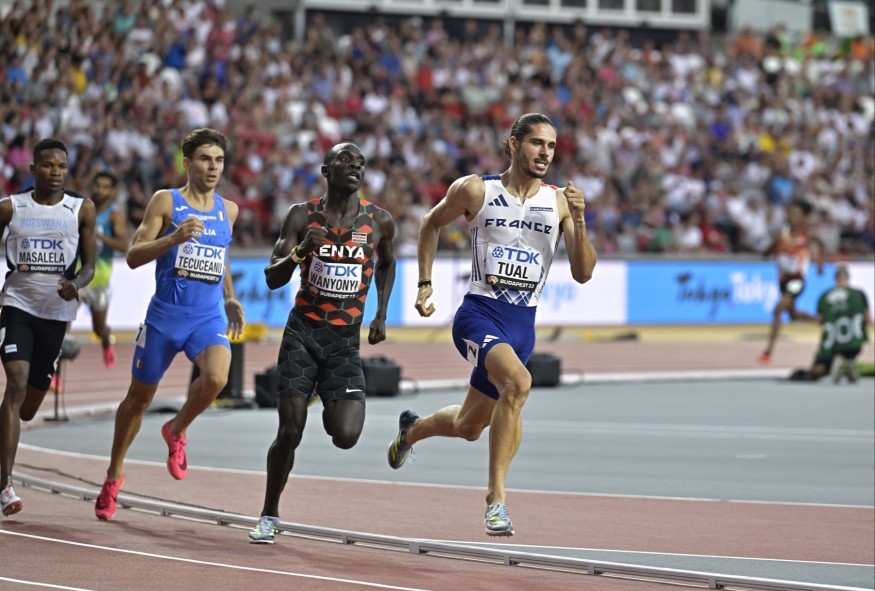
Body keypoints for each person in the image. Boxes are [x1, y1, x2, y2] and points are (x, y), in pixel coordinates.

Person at [387, 113, 597, 536]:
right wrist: (425, 284)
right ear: (514, 144)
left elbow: (583, 273)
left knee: (468, 427)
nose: (545, 153)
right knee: (517, 384)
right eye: (536, 143)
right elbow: (430, 223)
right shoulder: (476, 189)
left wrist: (579, 219)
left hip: (522, 326)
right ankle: (495, 500)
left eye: (551, 146)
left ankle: (412, 430)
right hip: (478, 314)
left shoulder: (560, 202)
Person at [248, 142, 396, 544]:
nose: (355, 165)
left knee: (345, 434)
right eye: (345, 160)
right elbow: (272, 277)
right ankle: (269, 513)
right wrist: (300, 252)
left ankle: (319, 391)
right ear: (326, 170)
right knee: (290, 431)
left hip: (344, 342)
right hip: (303, 334)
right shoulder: (301, 215)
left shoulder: (379, 221)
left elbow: (387, 263)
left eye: (360, 162)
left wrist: (381, 314)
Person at [94, 128, 245, 521]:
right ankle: (113, 474)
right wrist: (174, 238)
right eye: (205, 159)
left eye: (219, 160)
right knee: (138, 400)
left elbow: (221, 256)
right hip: (164, 318)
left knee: (217, 378)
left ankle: (176, 430)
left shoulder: (228, 210)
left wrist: (229, 297)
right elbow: (133, 255)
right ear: (188, 163)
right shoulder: (166, 201)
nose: (213, 167)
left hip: (207, 317)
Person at [0, 138, 97, 517]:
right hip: (17, 306)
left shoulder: (81, 208)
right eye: (48, 165)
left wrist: (78, 283)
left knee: (27, 408)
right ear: (33, 169)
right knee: (16, 383)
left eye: (61, 166)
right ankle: (6, 486)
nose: (55, 172)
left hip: (56, 313)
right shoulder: (11, 207)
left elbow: (89, 265)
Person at [759, 199, 822, 363]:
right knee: (793, 315)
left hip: (797, 280)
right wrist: (774, 246)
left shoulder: (807, 235)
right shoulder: (781, 234)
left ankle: (768, 351)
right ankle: (819, 320)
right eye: (791, 213)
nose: (792, 217)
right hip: (783, 280)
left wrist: (819, 264)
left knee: (778, 309)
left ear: (803, 218)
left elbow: (820, 244)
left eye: (796, 214)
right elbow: (765, 254)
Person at [78, 171, 130, 368]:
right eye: (97, 185)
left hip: (100, 280)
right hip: (79, 276)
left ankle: (107, 341)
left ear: (112, 191)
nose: (100, 190)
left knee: (99, 330)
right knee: (63, 322)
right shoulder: (84, 208)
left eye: (105, 187)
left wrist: (99, 237)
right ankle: (53, 374)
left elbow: (123, 245)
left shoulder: (115, 214)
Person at [789, 265, 871, 383]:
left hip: (831, 345)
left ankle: (839, 365)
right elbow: (868, 319)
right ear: (848, 278)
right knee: (850, 353)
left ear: (835, 278)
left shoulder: (824, 297)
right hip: (853, 345)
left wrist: (802, 316)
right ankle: (846, 364)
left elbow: (819, 321)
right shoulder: (859, 294)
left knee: (816, 371)